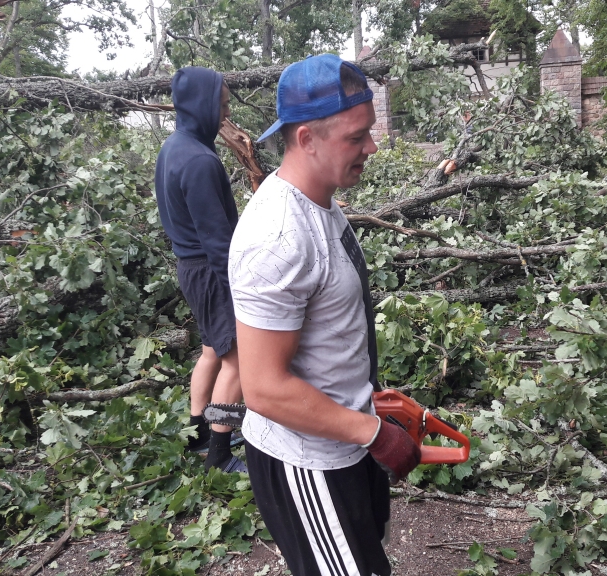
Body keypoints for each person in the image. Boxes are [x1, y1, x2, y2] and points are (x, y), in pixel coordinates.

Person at [229, 54, 421, 576]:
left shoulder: (321, 201)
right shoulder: (277, 238)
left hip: (346, 440)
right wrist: (374, 433)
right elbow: (264, 388)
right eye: (357, 137)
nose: (372, 148)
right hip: (309, 464)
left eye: (371, 133)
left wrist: (367, 400)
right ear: (307, 138)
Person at [154, 66, 247, 474]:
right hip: (211, 270)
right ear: (201, 106)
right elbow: (218, 241)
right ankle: (220, 456)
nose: (225, 114)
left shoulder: (174, 146)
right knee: (238, 359)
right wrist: (242, 286)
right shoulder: (198, 162)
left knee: (212, 349)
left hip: (190, 268)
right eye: (222, 105)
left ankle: (200, 432)